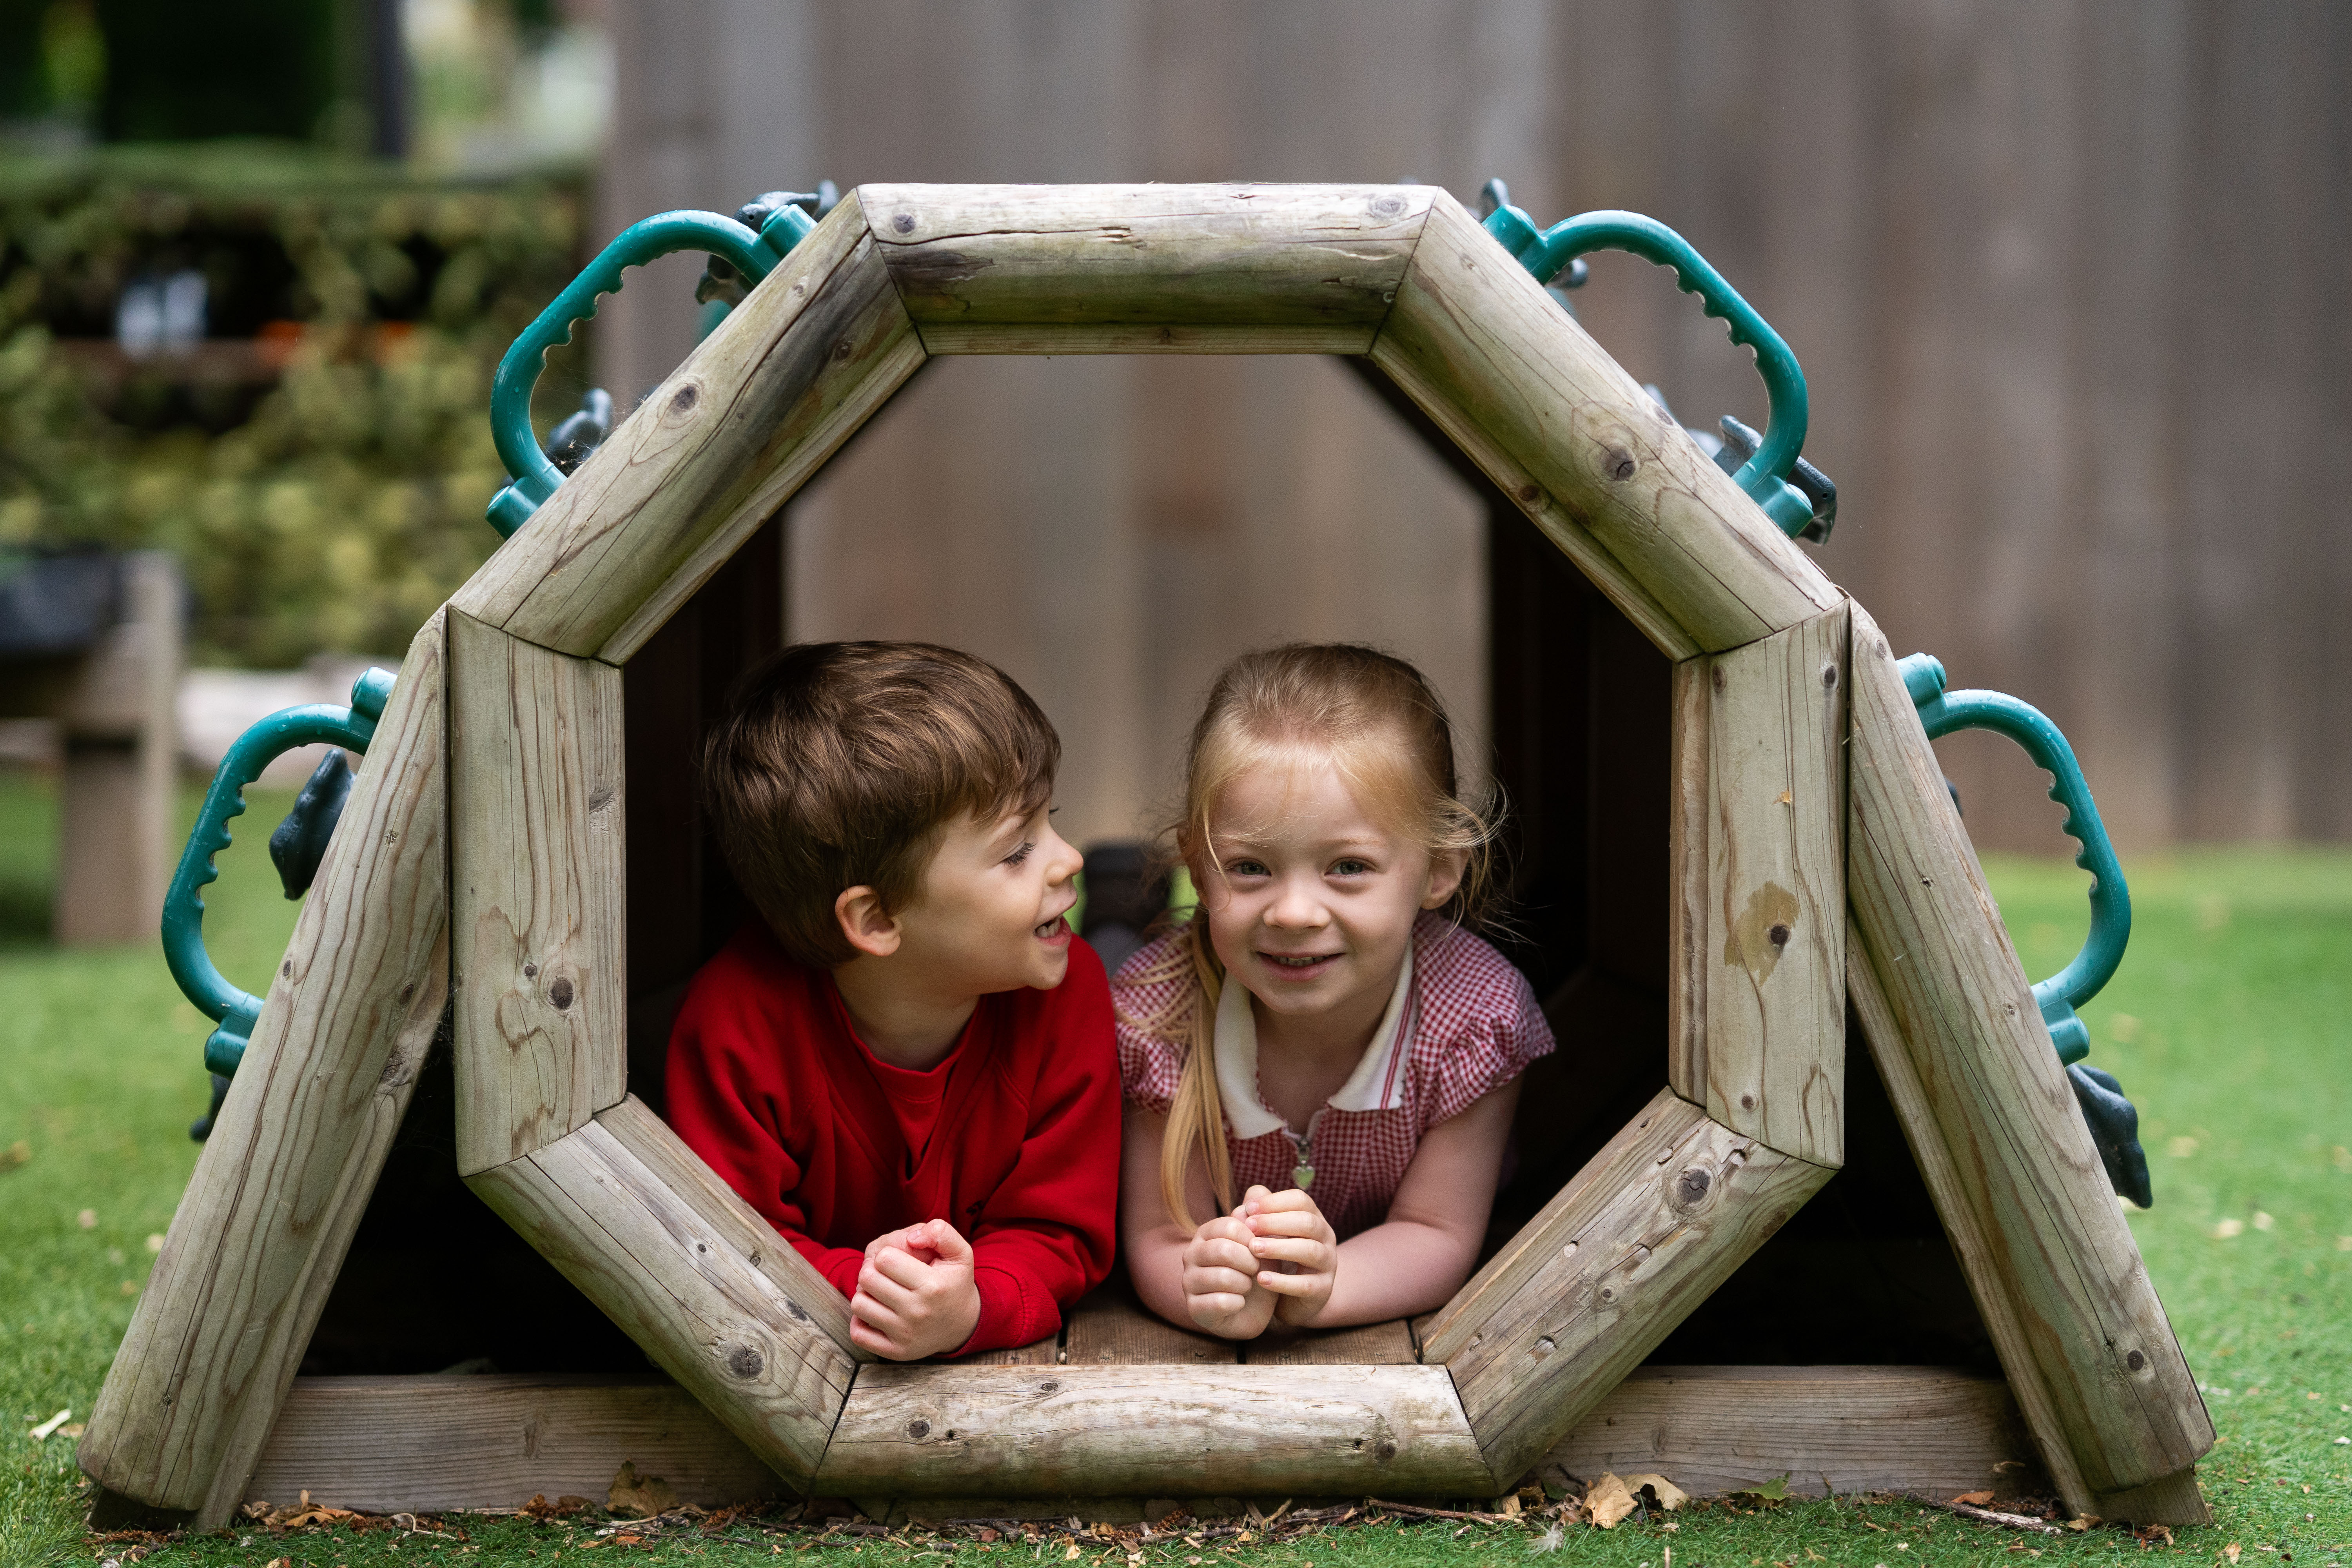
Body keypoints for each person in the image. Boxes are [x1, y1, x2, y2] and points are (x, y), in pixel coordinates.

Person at [666, 642, 1118, 1361]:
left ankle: (1125, 908)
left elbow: (1061, 1229)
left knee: (1118, 949)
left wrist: (973, 1307)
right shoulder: (737, 1027)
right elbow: (724, 1245)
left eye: (1050, 819)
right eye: (1015, 851)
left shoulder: (1068, 989)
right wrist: (879, 1293)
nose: (1069, 858)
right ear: (877, 920)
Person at [1116, 644, 1554, 1340]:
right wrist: (1205, 1288)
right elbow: (1160, 1233)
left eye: (1348, 867)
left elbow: (1436, 1229)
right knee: (1112, 957)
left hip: (1375, 1271)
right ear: (1197, 868)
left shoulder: (1477, 1018)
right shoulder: (1156, 1017)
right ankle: (1115, 910)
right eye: (1250, 867)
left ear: (1440, 870)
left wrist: (1329, 1288)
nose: (1294, 913)